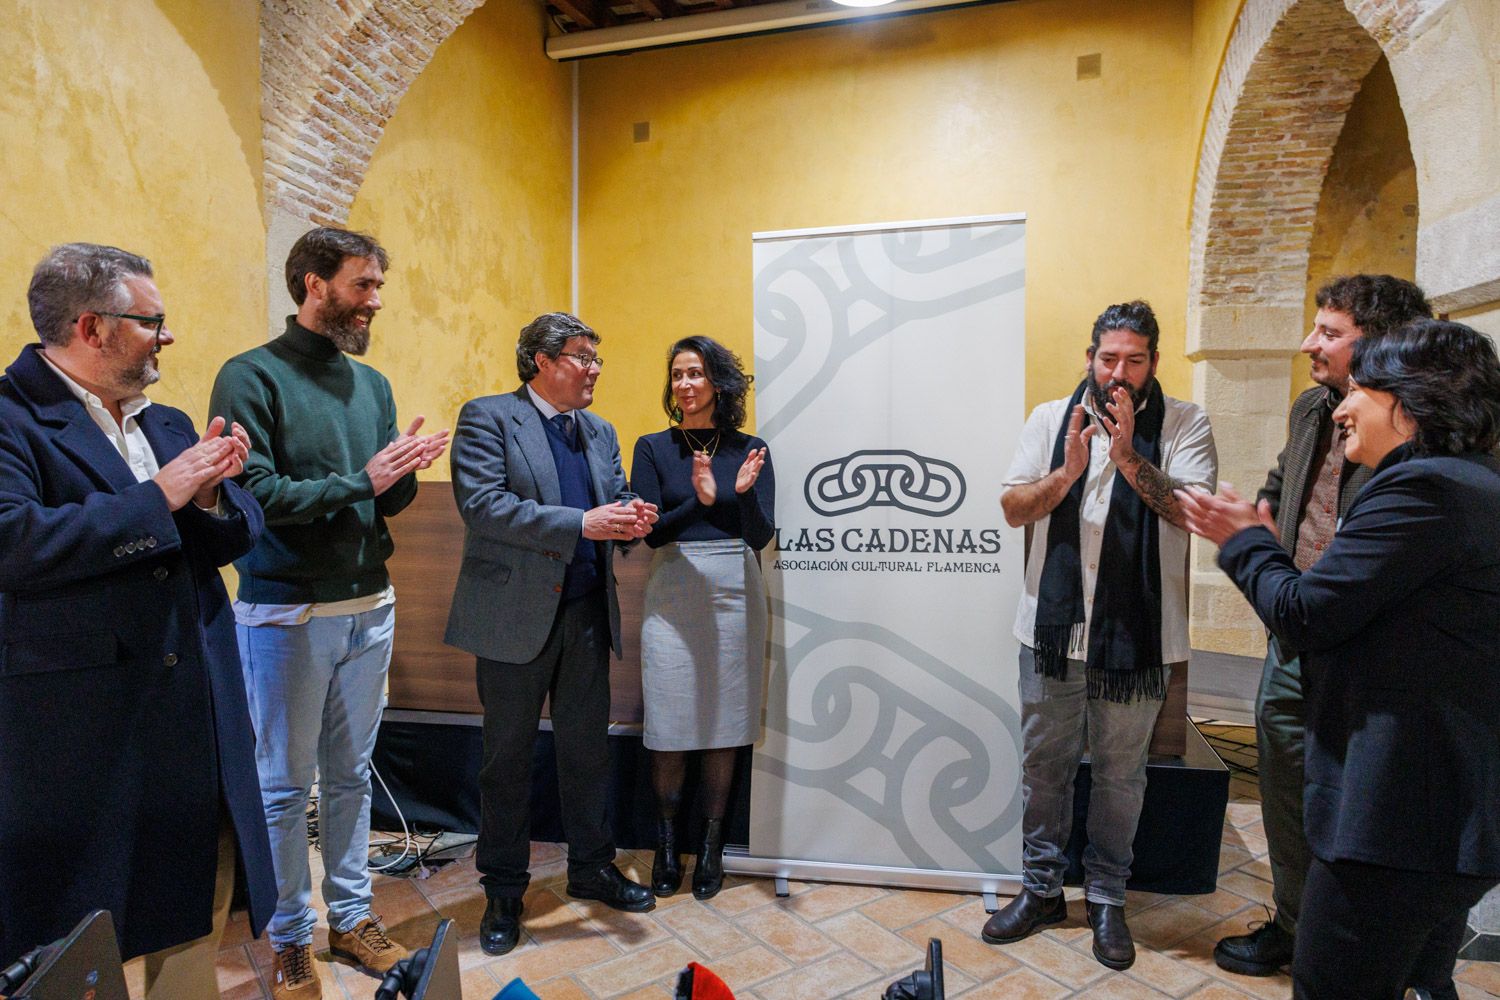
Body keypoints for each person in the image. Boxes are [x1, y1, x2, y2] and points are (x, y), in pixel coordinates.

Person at [1177, 319, 1500, 1000]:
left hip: (1398, 820)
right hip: (1442, 815)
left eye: (1362, 390)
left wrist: (1244, 541)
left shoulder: (1425, 492)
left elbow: (1306, 614)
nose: (1345, 407)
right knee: (1418, 979)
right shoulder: (1471, 481)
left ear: (1408, 401)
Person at [0, 243, 275, 999]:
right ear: (92, 327)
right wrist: (161, 495)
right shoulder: (12, 418)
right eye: (152, 321)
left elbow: (233, 531)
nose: (167, 336)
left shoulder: (169, 419)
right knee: (78, 935)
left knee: (192, 915)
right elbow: (16, 543)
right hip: (87, 729)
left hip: (195, 711)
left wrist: (215, 492)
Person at [209, 227, 448, 999]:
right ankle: (289, 940)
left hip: (369, 603)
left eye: (378, 284)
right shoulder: (250, 377)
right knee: (285, 785)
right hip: (288, 613)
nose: (374, 300)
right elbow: (259, 497)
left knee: (349, 778)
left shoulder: (370, 384)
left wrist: (403, 473)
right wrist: (363, 479)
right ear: (314, 285)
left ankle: (351, 917)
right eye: (362, 284)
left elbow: (380, 497)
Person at [982, 300, 1217, 970]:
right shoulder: (1051, 420)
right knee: (1043, 770)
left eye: (1134, 360)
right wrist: (1069, 471)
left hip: (1136, 641)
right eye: (1108, 357)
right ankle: (1041, 891)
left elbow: (1194, 514)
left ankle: (1108, 899)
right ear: (1090, 356)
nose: (1120, 370)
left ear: (1153, 363)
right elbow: (1011, 507)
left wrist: (1130, 460)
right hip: (1051, 633)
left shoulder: (1184, 424)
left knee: (1120, 776)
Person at [1212, 274, 1432, 977]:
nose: (1311, 344)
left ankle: (1365, 952)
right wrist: (1265, 526)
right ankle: (1295, 924)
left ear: (1380, 346)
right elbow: (1284, 479)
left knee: (1355, 804)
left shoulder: (1418, 437)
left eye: (1330, 333)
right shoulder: (1312, 409)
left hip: (1367, 652)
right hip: (1294, 635)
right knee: (1284, 785)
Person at [445, 312, 660, 956]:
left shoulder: (599, 429)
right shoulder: (488, 417)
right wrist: (583, 523)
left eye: (597, 358)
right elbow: (483, 506)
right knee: (506, 760)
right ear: (542, 361)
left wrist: (630, 518)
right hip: (514, 619)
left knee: (587, 754)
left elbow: (610, 500)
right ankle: (504, 891)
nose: (595, 369)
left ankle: (592, 868)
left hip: (589, 615)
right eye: (582, 356)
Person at [630, 336, 775, 901]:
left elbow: (761, 535)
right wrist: (703, 500)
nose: (685, 385)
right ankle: (667, 846)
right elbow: (652, 531)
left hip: (736, 588)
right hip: (672, 587)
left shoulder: (750, 448)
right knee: (668, 721)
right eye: (677, 375)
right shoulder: (651, 447)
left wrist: (739, 496)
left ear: (718, 382)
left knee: (726, 720)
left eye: (695, 374)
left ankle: (711, 848)